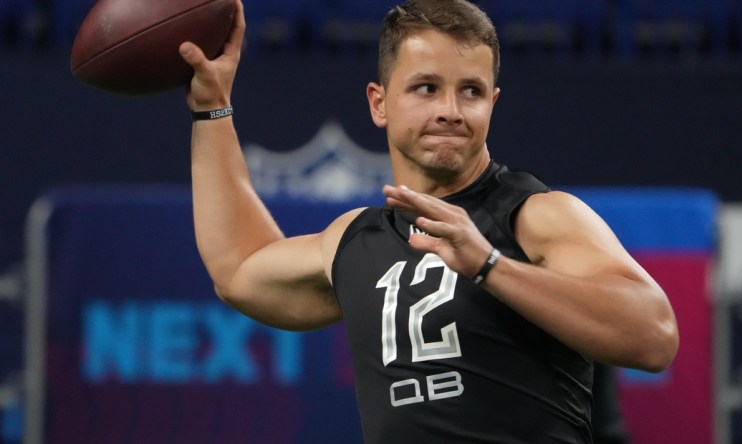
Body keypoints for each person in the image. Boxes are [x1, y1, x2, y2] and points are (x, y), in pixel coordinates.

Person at [178, 0, 679, 442]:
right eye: (425, 88)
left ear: (493, 104)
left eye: (471, 92)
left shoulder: (536, 215)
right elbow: (238, 268)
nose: (451, 110)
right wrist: (211, 108)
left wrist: (488, 264)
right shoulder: (355, 239)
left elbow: (655, 336)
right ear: (379, 103)